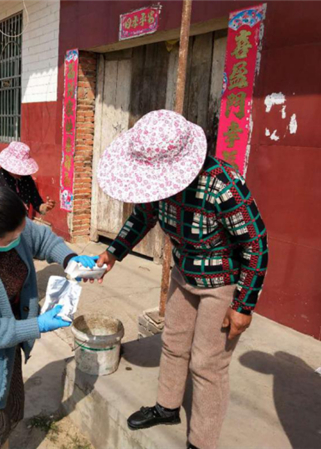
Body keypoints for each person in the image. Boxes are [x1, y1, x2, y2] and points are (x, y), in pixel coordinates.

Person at [95, 110, 268, 449]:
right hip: (183, 271)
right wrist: (113, 252)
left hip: (221, 282)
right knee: (173, 343)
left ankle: (201, 442)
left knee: (208, 363)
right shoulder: (156, 184)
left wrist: (243, 305)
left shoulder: (222, 183)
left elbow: (255, 244)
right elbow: (142, 217)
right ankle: (167, 406)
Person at [0, 183, 97, 449]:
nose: (20, 240)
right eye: (12, 239)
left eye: (20, 231)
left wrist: (70, 258)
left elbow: (42, 239)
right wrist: (37, 325)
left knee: (8, 419)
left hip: (9, 350)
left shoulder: (11, 227)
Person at [0, 142, 56, 216]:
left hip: (23, 224)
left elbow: (37, 204)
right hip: (0, 223)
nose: (20, 173)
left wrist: (45, 207)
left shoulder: (27, 179)